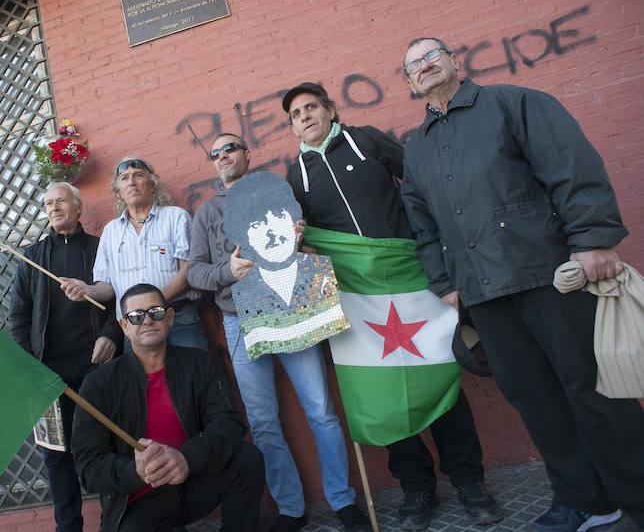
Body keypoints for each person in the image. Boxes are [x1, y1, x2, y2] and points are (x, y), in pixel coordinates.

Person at [399, 37, 644, 532]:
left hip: (550, 277)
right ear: (409, 83)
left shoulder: (515, 103)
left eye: (430, 55)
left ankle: (637, 499)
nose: (423, 66)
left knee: (597, 391)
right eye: (412, 66)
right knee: (536, 401)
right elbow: (422, 227)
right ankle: (585, 502)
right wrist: (446, 284)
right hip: (484, 296)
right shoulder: (417, 148)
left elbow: (571, 168)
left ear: (454, 61)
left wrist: (594, 239)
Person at [281, 82, 500, 530]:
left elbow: (419, 185)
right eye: (295, 114)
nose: (304, 116)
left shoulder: (366, 141)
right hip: (358, 295)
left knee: (440, 368)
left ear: (330, 110)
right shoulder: (295, 175)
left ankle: (469, 481)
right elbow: (305, 241)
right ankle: (417, 486)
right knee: (381, 391)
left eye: (310, 107)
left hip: (410, 275)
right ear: (292, 127)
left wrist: (437, 248)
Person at [187, 135, 371, 532]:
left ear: (246, 154)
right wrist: (226, 273)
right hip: (240, 319)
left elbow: (306, 244)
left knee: (321, 411)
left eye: (230, 148)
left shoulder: (275, 191)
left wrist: (299, 237)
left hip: (292, 305)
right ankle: (291, 508)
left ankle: (343, 501)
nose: (223, 156)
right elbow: (194, 272)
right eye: (215, 153)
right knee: (263, 421)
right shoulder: (206, 213)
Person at [71, 283, 265, 532]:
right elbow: (88, 466)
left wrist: (187, 458)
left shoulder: (201, 364)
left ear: (170, 317)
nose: (148, 320)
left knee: (247, 459)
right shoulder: (99, 384)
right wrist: (135, 471)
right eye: (136, 316)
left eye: (156, 312)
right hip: (139, 499)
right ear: (124, 327)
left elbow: (228, 423)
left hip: (193, 479)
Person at [6, 181, 123, 532]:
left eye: (61, 201)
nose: (54, 208)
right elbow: (18, 318)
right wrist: (29, 368)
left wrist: (111, 335)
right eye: (48, 203)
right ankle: (68, 527)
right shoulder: (31, 258)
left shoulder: (100, 249)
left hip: (96, 369)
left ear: (78, 207)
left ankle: (114, 523)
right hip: (48, 376)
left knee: (105, 449)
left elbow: (120, 300)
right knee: (57, 458)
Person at [61, 157, 207, 350]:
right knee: (146, 380)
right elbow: (106, 285)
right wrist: (88, 290)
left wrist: (152, 303)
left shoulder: (176, 217)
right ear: (119, 192)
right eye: (124, 178)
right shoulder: (110, 231)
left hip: (177, 318)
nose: (131, 182)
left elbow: (188, 272)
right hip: (134, 326)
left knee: (196, 376)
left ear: (152, 185)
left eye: (138, 175)